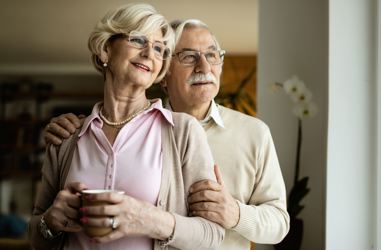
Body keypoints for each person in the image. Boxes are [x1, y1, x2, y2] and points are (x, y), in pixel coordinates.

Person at [44, 19, 289, 250]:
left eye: (212, 55)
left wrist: (235, 213)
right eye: (189, 56)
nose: (204, 67)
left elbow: (279, 224)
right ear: (163, 73)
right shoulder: (139, 132)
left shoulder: (254, 132)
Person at [29, 5, 224, 250]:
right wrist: (51, 221)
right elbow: (35, 237)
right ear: (105, 49)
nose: (149, 53)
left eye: (159, 49)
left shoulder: (182, 131)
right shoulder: (67, 136)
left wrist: (148, 219)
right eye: (138, 40)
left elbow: (212, 235)